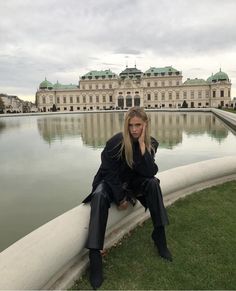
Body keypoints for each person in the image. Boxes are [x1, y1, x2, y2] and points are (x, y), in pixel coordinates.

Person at [83, 106, 172, 289]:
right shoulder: (114, 143)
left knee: (153, 183)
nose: (133, 129)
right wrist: (121, 197)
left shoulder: (151, 143)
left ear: (145, 125)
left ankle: (160, 236)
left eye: (138, 125)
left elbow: (148, 172)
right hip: (111, 183)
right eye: (130, 125)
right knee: (99, 195)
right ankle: (94, 255)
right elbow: (108, 173)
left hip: (134, 183)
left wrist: (141, 146)